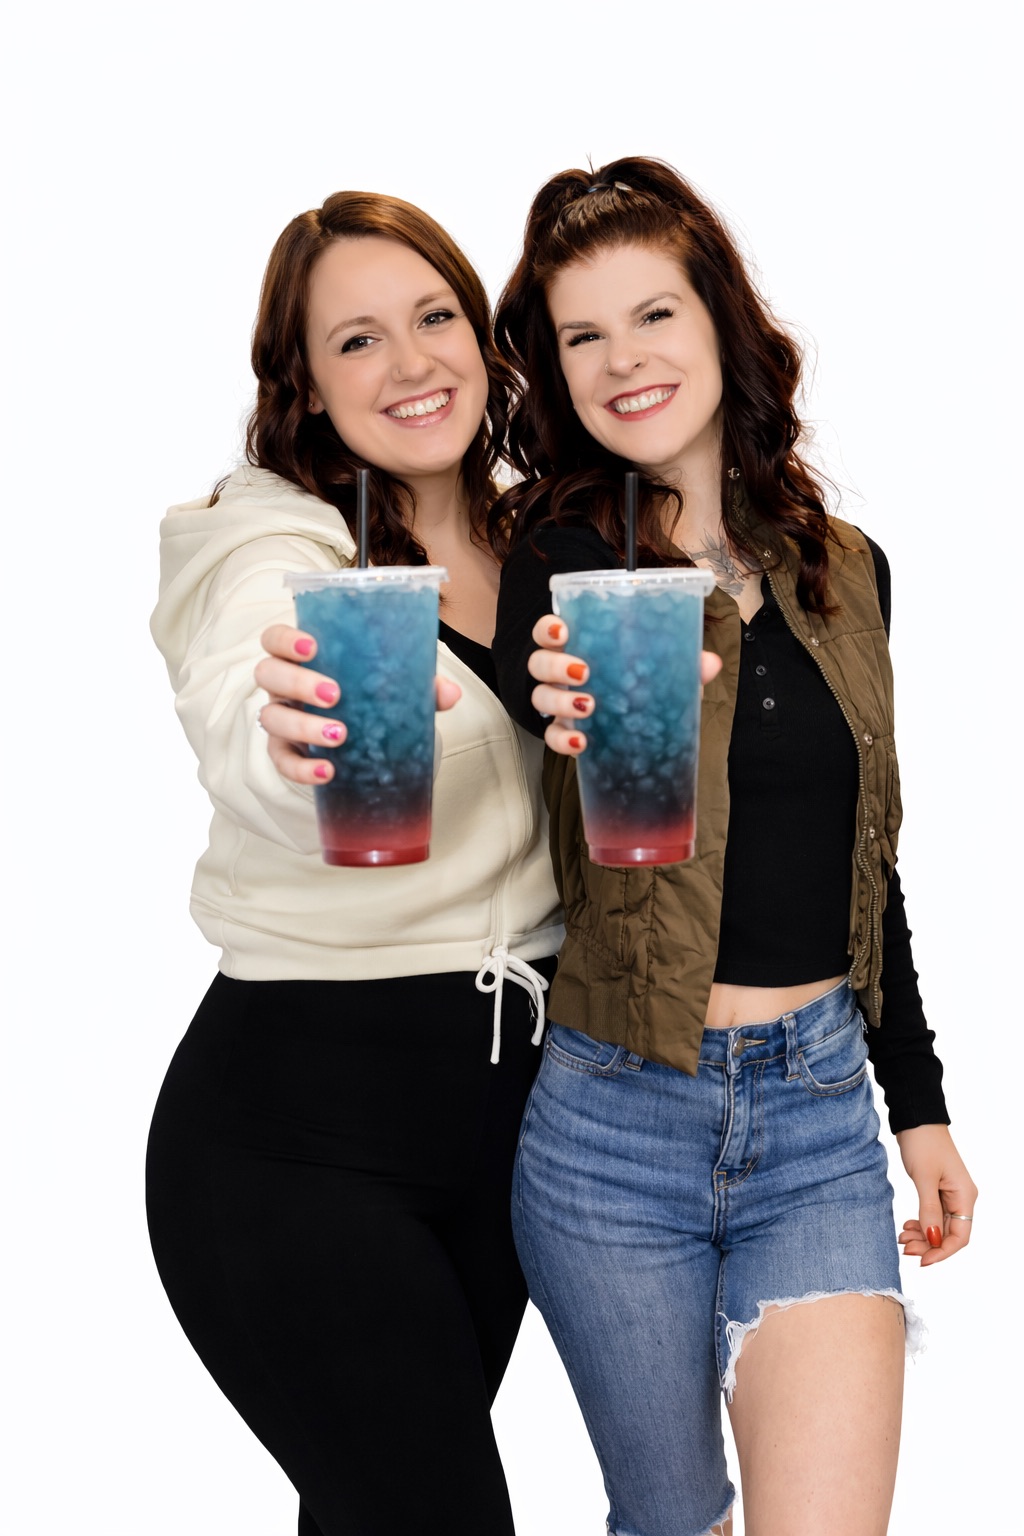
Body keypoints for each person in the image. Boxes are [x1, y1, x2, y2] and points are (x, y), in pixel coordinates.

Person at [490, 158, 977, 1536]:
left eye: (654, 314)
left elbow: (867, 863)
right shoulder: (566, 561)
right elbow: (537, 684)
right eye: (582, 336)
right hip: (611, 1122)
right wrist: (553, 691)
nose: (623, 360)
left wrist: (920, 1105)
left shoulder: (846, 567)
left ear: (719, 321)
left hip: (817, 1115)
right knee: (671, 1523)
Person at [145, 191, 565, 1536]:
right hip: (297, 1140)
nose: (410, 363)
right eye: (356, 341)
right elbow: (246, 705)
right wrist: (299, 746)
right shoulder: (273, 540)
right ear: (305, 384)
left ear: (484, 338)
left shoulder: (546, 541)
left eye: (434, 317)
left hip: (510, 1135)